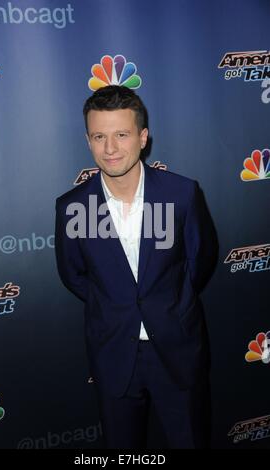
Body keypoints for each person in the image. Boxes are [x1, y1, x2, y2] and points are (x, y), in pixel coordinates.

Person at [55, 85, 218, 449]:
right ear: (88, 141)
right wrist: (117, 303)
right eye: (99, 136)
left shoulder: (182, 194)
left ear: (143, 138)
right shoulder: (72, 207)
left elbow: (199, 261)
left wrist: (167, 303)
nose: (110, 149)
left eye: (121, 135)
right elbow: (73, 274)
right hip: (113, 354)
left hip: (177, 350)